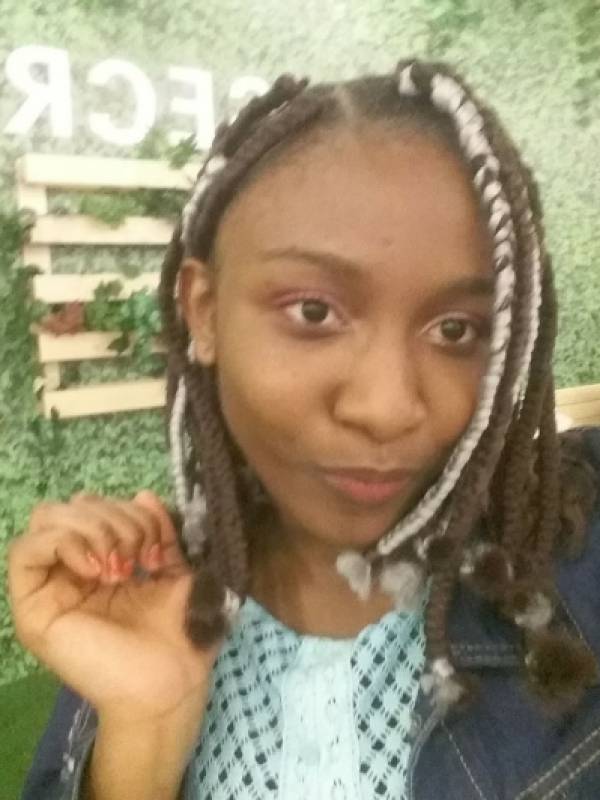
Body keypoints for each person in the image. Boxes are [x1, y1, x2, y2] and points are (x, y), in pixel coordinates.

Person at [8, 58, 600, 800]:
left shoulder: (574, 562)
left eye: (456, 329)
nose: (387, 407)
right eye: (313, 312)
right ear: (203, 313)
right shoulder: (142, 595)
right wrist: (142, 737)